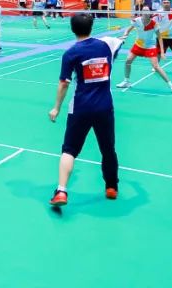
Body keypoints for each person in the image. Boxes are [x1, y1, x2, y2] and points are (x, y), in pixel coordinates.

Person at [48, 12, 121, 207]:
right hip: (104, 107)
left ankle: (61, 191)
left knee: (69, 150)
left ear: (72, 29)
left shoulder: (70, 53)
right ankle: (111, 187)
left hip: (80, 108)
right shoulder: (107, 45)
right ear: (91, 27)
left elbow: (64, 83)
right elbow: (119, 42)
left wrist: (56, 108)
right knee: (108, 149)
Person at [116, 7, 172, 95]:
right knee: (128, 61)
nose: (146, 12)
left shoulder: (154, 23)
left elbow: (160, 37)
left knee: (156, 66)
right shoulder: (137, 21)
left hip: (150, 46)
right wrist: (125, 35)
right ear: (142, 12)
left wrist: (162, 52)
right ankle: (126, 81)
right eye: (144, 10)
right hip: (138, 44)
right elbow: (128, 29)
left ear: (150, 13)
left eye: (147, 11)